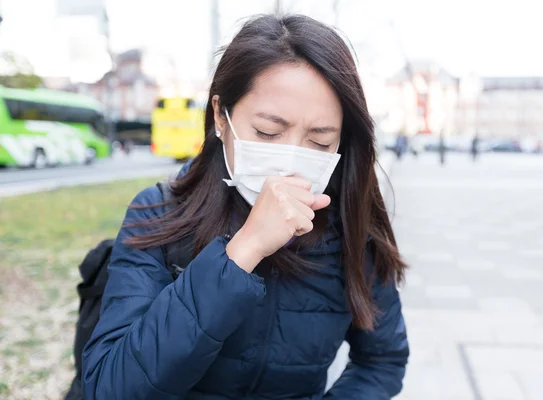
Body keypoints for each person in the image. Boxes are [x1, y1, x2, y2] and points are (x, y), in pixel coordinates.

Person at [82, 14, 409, 400]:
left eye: (320, 141)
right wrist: (242, 252)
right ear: (222, 116)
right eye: (268, 133)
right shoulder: (157, 212)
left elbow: (382, 360)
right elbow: (109, 387)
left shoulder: (350, 227)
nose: (291, 158)